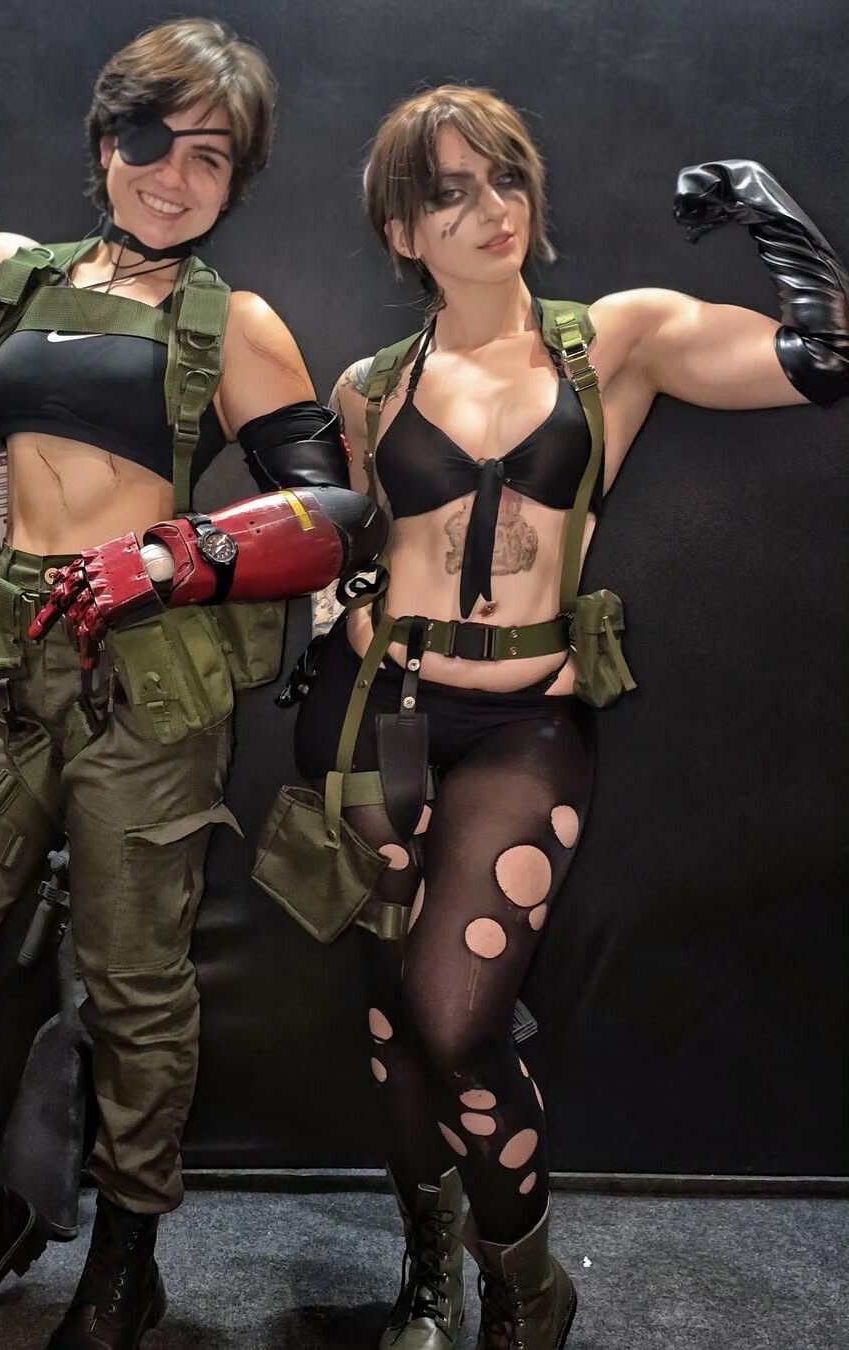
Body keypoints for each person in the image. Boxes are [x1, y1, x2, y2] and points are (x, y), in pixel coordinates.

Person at [0, 18, 383, 1350]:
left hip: (149, 683)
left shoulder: (234, 322)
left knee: (136, 990)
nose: (172, 176)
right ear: (105, 141)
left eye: (210, 157)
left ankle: (128, 1257)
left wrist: (183, 554)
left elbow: (336, 513)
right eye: (150, 141)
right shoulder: (4, 275)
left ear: (237, 181)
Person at [282, 85, 848, 1350]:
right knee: (391, 1020)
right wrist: (334, 612)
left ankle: (528, 1290)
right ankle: (429, 1281)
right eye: (449, 194)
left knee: (455, 1019)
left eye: (505, 178)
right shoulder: (369, 388)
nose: (491, 209)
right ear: (402, 233)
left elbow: (826, 356)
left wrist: (765, 207)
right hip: (372, 714)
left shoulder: (616, 341)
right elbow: (344, 546)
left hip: (523, 730)